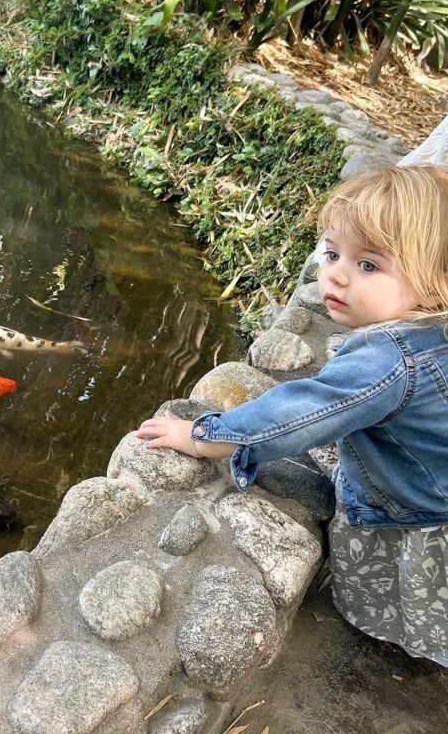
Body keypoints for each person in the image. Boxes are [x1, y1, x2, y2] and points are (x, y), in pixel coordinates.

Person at [136, 164, 448, 667]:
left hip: (422, 509)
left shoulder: (387, 360)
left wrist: (203, 435)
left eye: (369, 266)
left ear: (434, 284)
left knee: (414, 592)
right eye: (332, 253)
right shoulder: (433, 331)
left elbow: (297, 413)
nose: (336, 274)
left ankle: (394, 646)